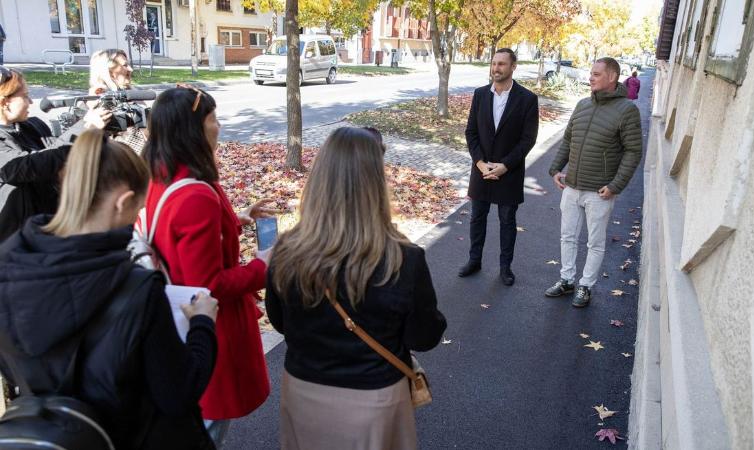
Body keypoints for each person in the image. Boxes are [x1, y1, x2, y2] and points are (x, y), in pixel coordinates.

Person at [0, 128, 220, 449]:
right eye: (138, 208)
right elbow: (178, 393)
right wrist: (202, 323)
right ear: (123, 202)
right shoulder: (136, 289)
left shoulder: (9, 266)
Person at [265, 127, 446, 449]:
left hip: (304, 392)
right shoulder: (403, 259)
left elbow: (279, 321)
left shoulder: (286, 251)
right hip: (374, 400)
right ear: (376, 183)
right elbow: (424, 336)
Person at [142, 85, 273, 443]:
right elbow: (209, 286)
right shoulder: (197, 193)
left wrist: (236, 219)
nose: (219, 126)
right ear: (194, 128)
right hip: (206, 327)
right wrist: (263, 268)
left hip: (173, 315)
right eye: (213, 118)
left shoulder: (162, 172)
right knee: (204, 430)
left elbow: (177, 234)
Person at [545, 57, 643, 307]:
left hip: (599, 193)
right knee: (567, 236)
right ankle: (567, 280)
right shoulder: (582, 105)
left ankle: (585, 286)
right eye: (591, 73)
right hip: (572, 186)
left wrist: (615, 186)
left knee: (595, 243)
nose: (591, 77)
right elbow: (568, 139)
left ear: (612, 77)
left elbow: (633, 151)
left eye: (596, 74)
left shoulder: (627, 110)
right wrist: (556, 168)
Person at [0, 66, 109, 241]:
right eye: (25, 96)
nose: (31, 102)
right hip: (14, 243)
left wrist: (87, 111)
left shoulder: (31, 125)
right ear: (5, 102)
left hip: (48, 230)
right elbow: (28, 166)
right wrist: (85, 127)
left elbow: (59, 152)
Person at [460, 47, 539, 286]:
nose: (496, 68)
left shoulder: (527, 99)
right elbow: (471, 132)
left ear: (513, 67)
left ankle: (505, 268)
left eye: (502, 64)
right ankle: (474, 260)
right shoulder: (481, 94)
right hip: (481, 170)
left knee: (507, 221)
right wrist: (480, 163)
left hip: (509, 172)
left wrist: (505, 165)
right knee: (477, 218)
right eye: (494, 63)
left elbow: (528, 139)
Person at [88, 49, 147, 152]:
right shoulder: (95, 103)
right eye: (125, 65)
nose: (130, 69)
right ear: (109, 72)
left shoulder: (135, 95)